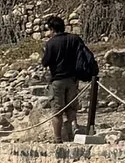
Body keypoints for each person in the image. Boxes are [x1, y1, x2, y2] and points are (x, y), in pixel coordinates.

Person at [40, 14, 100, 144]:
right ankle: (74, 131)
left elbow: (45, 62)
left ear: (52, 29)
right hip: (73, 79)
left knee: (57, 111)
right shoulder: (74, 39)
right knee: (71, 108)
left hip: (57, 81)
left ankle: (57, 139)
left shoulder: (51, 43)